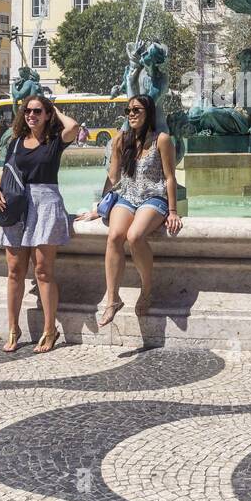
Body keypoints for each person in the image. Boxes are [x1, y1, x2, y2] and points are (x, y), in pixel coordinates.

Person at [80, 94, 182, 327]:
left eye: (137, 110)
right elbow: (113, 177)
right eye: (128, 111)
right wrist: (100, 207)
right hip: (127, 197)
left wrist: (173, 211)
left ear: (149, 113)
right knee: (115, 236)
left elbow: (169, 177)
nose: (132, 114)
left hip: (153, 198)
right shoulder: (121, 140)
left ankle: (146, 290)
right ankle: (113, 299)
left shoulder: (162, 139)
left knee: (135, 236)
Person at [0, 94, 79, 353]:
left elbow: (73, 127)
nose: (31, 115)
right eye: (28, 111)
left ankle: (50, 330)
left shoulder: (54, 142)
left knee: (42, 270)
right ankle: (13, 328)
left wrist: (54, 108)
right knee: (15, 271)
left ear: (47, 114)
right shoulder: (16, 142)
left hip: (46, 204)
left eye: (38, 111)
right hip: (16, 206)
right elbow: (5, 174)